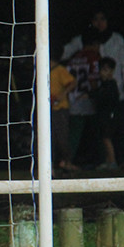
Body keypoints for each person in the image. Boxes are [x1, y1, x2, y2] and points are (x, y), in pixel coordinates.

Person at [63, 9, 124, 165]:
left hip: (110, 93)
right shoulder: (82, 45)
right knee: (100, 132)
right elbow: (64, 55)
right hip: (91, 96)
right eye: (96, 19)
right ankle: (107, 161)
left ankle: (116, 162)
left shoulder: (116, 40)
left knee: (112, 130)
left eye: (103, 19)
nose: (100, 23)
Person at [63, 27, 101, 167]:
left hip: (72, 98)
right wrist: (97, 94)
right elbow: (93, 79)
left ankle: (69, 160)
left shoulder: (74, 56)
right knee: (95, 131)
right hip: (87, 99)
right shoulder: (93, 56)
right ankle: (69, 161)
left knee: (74, 132)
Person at [49, 43, 77, 173]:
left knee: (62, 138)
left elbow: (72, 82)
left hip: (60, 110)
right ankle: (50, 167)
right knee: (49, 140)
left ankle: (67, 162)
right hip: (47, 110)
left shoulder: (59, 70)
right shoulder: (41, 70)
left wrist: (62, 94)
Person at [93, 57, 121, 170]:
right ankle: (107, 160)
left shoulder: (111, 84)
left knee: (106, 138)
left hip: (109, 115)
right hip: (103, 115)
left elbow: (109, 100)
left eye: (106, 70)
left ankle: (112, 161)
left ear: (112, 71)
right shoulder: (103, 85)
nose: (103, 73)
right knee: (103, 138)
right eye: (101, 70)